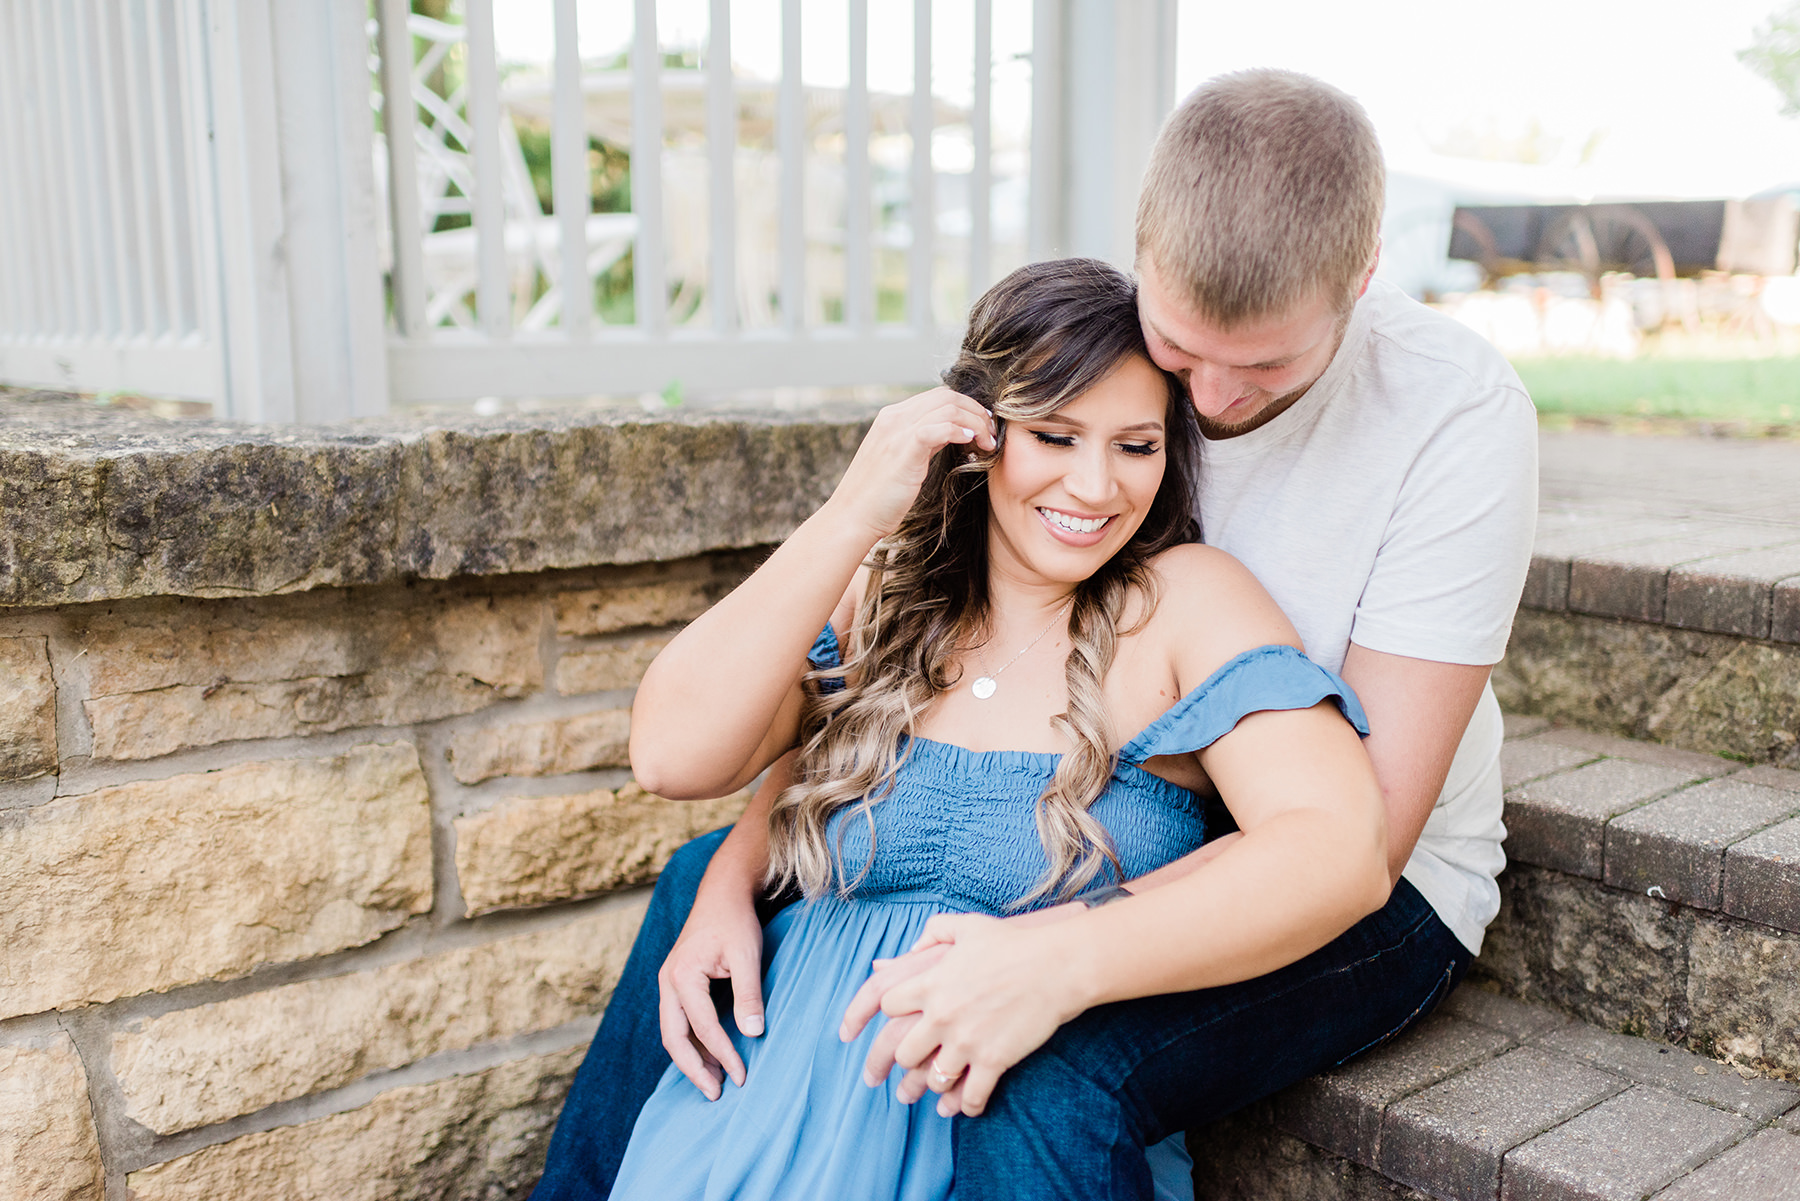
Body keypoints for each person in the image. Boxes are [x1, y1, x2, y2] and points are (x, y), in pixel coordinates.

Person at [531, 69, 1536, 1201]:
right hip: (1126, 797)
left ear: (1361, 283)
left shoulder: (1443, 421)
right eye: (1172, 352)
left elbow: (1356, 846)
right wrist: (860, 517)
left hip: (1383, 873)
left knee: (1047, 1060)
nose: (1205, 398)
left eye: (1257, 370)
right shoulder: (1020, 478)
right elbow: (772, 742)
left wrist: (1057, 951)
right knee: (697, 890)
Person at [600, 255, 1390, 1200]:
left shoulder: (1184, 602)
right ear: (981, 432)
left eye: (1136, 446)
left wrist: (1063, 957)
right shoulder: (891, 592)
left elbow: (1337, 846)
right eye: (1055, 435)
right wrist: (858, 508)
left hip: (988, 1146)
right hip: (742, 1127)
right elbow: (674, 753)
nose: (1096, 486)